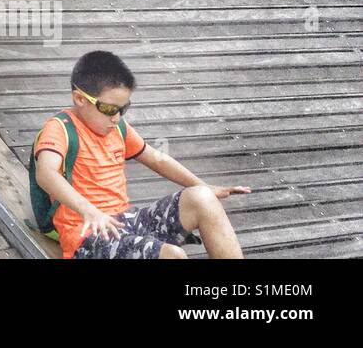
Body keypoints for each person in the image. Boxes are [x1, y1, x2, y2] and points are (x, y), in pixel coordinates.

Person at [33, 50, 248, 259]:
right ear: (80, 98)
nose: (116, 117)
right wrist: (90, 210)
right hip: (89, 236)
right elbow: (46, 173)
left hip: (126, 223)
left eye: (122, 109)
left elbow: (156, 158)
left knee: (202, 197)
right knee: (172, 255)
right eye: (109, 109)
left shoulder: (117, 128)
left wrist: (206, 186)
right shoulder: (60, 128)